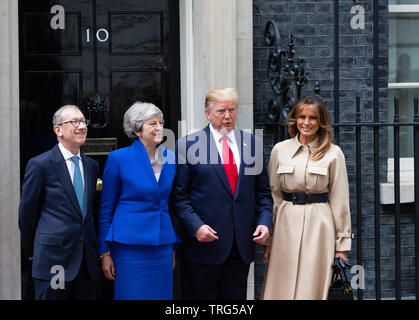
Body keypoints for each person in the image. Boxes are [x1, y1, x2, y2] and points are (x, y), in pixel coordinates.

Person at [173, 88, 273, 300]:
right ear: (207, 113)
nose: (227, 116)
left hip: (240, 247)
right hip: (203, 246)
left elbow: (263, 192)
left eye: (232, 110)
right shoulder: (187, 146)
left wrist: (264, 222)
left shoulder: (252, 144)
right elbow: (180, 198)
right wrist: (196, 226)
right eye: (221, 111)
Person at [261, 95, 352, 300]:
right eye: (302, 116)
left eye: (313, 118)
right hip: (285, 222)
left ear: (321, 122)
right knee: (280, 282)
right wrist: (269, 240)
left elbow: (340, 200)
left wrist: (342, 246)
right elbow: (274, 195)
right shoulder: (280, 150)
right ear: (295, 119)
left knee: (313, 283)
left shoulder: (333, 153)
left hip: (319, 224)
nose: (307, 122)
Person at [98, 102, 179, 300]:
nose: (159, 127)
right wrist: (104, 252)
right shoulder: (118, 158)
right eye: (152, 123)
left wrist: (173, 246)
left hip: (163, 246)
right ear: (136, 130)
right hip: (129, 248)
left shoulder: (171, 158)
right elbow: (106, 208)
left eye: (161, 123)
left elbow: (174, 205)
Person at [18, 105, 100, 300]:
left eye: (83, 121)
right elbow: (26, 216)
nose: (82, 126)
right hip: (53, 263)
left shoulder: (91, 166)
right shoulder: (40, 165)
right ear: (58, 130)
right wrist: (36, 253)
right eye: (74, 122)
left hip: (86, 264)